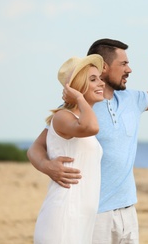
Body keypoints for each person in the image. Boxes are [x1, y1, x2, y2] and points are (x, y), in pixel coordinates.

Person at [27, 38, 148, 244]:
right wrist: (47, 166)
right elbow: (37, 147)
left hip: (127, 210)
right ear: (105, 68)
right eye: (124, 64)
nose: (130, 69)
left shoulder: (131, 100)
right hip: (95, 212)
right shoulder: (76, 109)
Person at [33, 55, 105, 243]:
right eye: (93, 79)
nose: (101, 83)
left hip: (81, 218)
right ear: (77, 86)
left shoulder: (78, 118)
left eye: (100, 78)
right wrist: (80, 98)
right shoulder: (63, 117)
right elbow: (91, 127)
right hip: (65, 215)